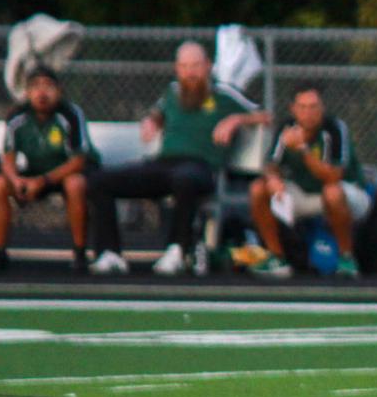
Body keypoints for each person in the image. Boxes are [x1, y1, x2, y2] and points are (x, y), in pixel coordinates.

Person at [89, 41, 267, 275]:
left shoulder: (224, 94)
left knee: (185, 179)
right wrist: (152, 121)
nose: (190, 72)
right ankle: (109, 253)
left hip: (201, 167)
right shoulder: (172, 92)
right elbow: (157, 113)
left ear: (208, 66)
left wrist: (236, 120)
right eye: (184, 66)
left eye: (195, 65)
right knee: (100, 180)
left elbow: (265, 115)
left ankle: (177, 250)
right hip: (163, 164)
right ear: (177, 68)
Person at [246, 85, 368, 279]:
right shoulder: (287, 129)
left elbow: (333, 177)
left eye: (313, 107)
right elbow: (271, 164)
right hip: (305, 195)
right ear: (293, 109)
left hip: (347, 196)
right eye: (302, 107)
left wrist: (303, 149)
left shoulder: (334, 128)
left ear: (322, 108)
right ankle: (277, 258)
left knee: (332, 192)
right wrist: (273, 179)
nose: (308, 113)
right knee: (258, 189)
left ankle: (346, 258)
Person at [0, 66, 93, 273]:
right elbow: (8, 158)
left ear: (59, 91)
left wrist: (43, 181)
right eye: (35, 87)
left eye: (48, 86)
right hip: (32, 174)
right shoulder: (17, 116)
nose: (42, 93)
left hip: (62, 175)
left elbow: (78, 161)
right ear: (27, 92)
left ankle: (80, 253)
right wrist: (17, 181)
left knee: (76, 184)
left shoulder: (69, 114)